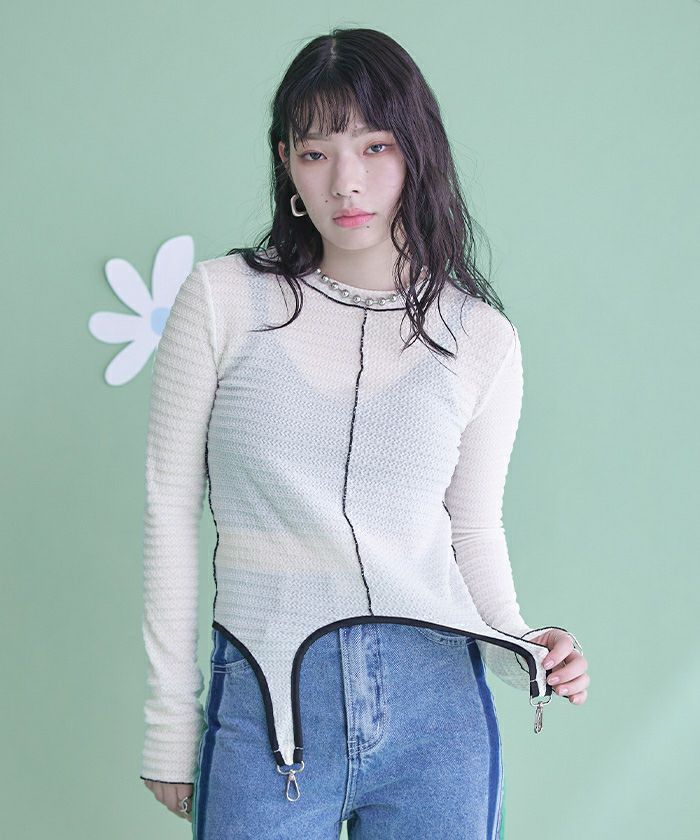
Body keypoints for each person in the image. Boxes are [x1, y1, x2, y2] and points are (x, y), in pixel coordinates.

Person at [140, 26, 589, 839]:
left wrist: (523, 643)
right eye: (316, 153)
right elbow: (169, 512)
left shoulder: (480, 338)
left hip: (440, 713)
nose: (346, 181)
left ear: (417, 152)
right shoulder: (223, 300)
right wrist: (169, 725)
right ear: (286, 162)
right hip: (269, 698)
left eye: (375, 146)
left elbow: (471, 528)